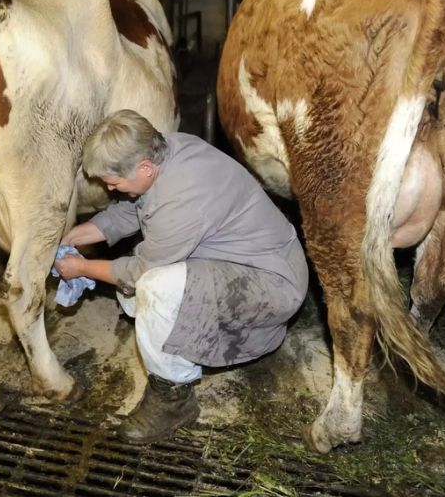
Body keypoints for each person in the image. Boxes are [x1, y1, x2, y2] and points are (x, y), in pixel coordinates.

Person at [54, 109, 309, 443]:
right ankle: (180, 338)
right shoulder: (169, 149)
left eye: (112, 182)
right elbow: (135, 206)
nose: (109, 187)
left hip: (271, 285)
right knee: (141, 295)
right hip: (251, 261)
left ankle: (172, 399)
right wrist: (75, 236)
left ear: (144, 168)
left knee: (153, 288)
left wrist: (83, 268)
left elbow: (139, 271)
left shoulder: (182, 200)